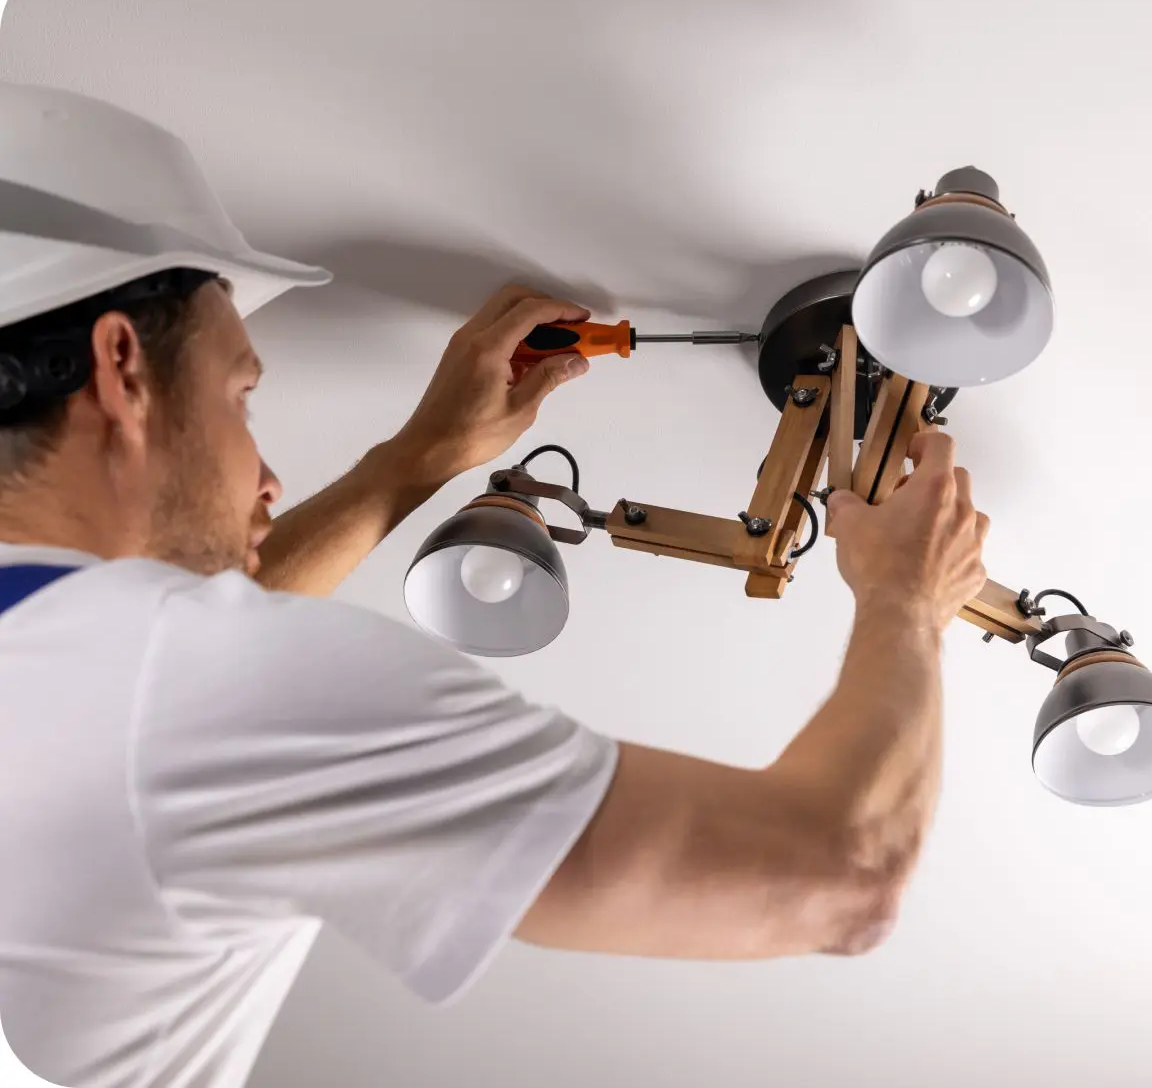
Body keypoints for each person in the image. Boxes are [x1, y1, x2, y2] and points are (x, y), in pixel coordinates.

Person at [0, 82, 988, 1088]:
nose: (267, 477)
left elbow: (163, 668)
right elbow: (842, 874)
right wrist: (906, 598)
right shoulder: (186, 687)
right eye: (241, 393)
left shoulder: (111, 681)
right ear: (123, 367)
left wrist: (416, 459)